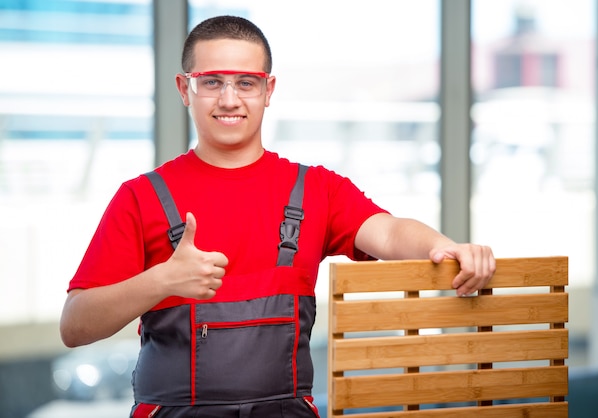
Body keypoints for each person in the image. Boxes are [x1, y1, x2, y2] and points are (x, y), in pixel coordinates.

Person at [60, 15, 496, 418]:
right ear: (183, 88)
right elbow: (75, 326)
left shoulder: (314, 190)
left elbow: (389, 230)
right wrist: (161, 281)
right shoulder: (141, 197)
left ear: (268, 90)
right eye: (211, 81)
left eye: (246, 83)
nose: (229, 99)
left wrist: (444, 246)